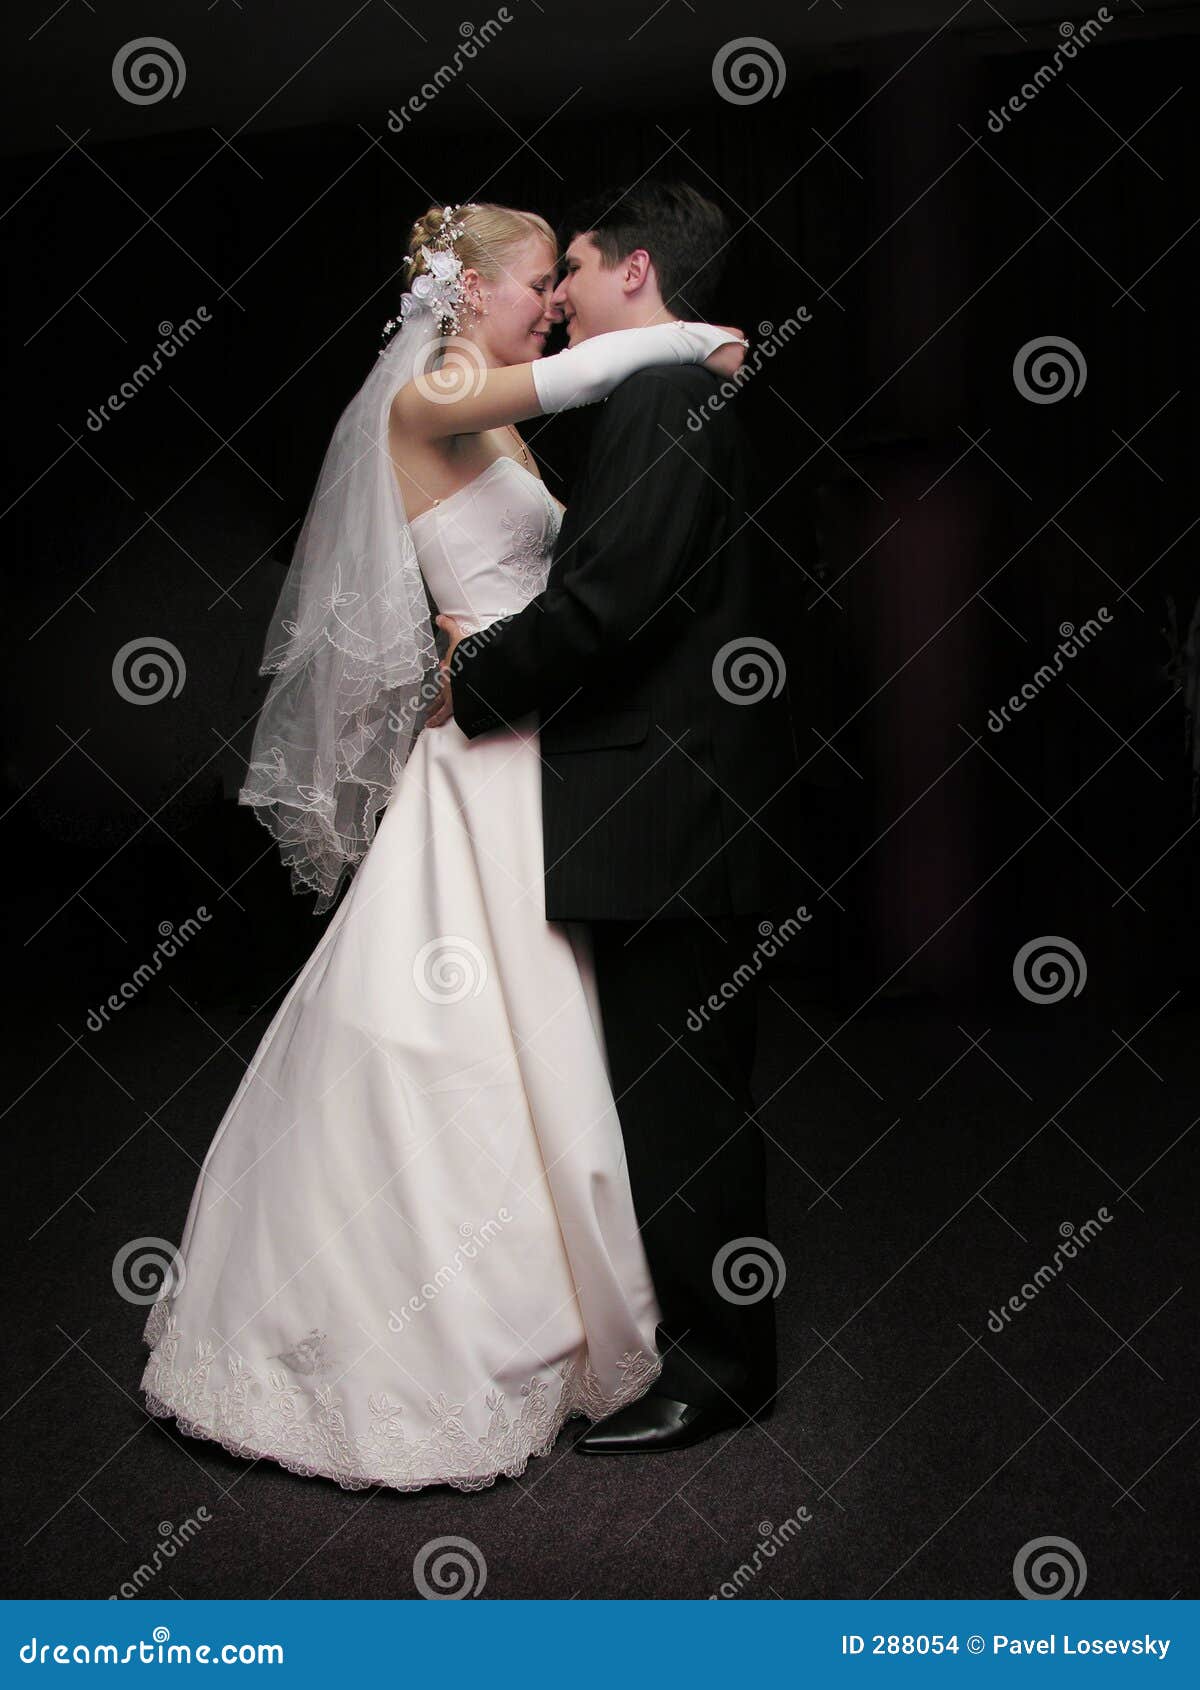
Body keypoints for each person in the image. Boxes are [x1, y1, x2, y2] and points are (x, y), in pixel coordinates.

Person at [137, 198, 746, 1495]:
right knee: (449, 1031)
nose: (551, 303)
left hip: (537, 743)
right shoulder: (432, 392)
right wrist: (699, 337)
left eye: (559, 284)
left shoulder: (496, 410)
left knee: (550, 1031)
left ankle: (586, 1303)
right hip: (486, 756)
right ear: (470, 292)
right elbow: (591, 370)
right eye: (537, 281)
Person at [437, 182, 798, 1454]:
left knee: (684, 1097)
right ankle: (703, 1342)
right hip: (674, 801)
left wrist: (464, 681)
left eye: (576, 269)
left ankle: (723, 1366)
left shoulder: (665, 393)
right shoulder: (674, 383)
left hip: (672, 809)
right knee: (672, 1089)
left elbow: (607, 606)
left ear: (635, 273)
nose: (564, 296)